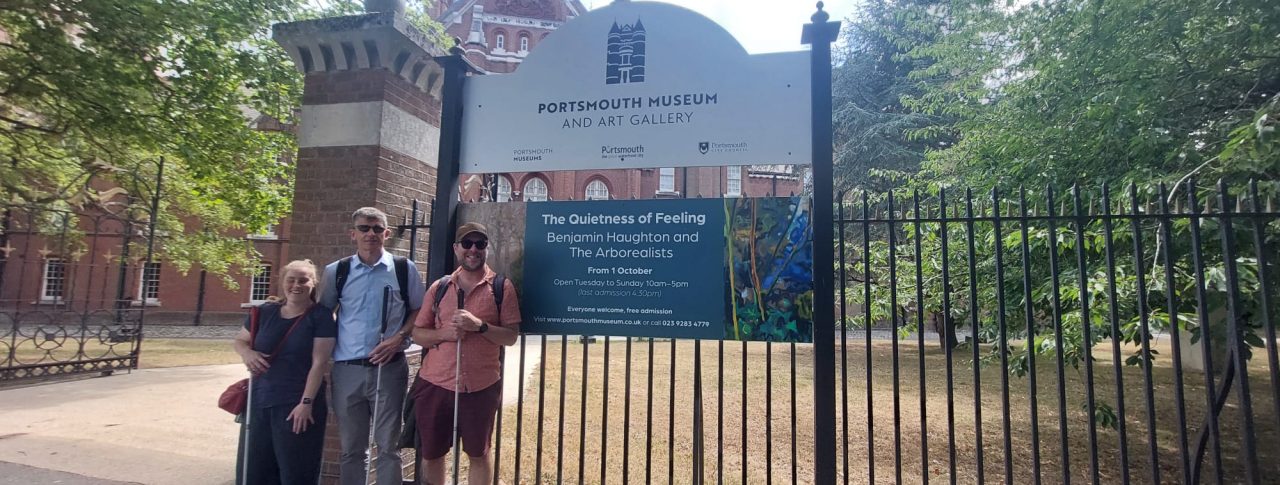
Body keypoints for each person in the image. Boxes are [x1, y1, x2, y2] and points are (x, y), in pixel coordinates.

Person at [319, 207, 426, 485]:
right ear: (352, 234)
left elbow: (419, 310)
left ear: (387, 233)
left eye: (377, 228)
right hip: (347, 370)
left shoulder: (403, 269)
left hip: (389, 369)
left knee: (389, 448)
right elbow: (320, 315)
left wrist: (400, 337)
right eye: (365, 228)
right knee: (351, 450)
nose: (371, 234)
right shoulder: (337, 272)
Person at [410, 222, 521, 485]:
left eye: (480, 244)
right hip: (436, 383)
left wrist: (479, 326)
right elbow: (417, 334)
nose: (473, 249)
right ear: (456, 248)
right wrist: (443, 335)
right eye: (467, 244)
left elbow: (511, 336)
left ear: (486, 249)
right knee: (432, 453)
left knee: (479, 453)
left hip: (480, 387)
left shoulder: (502, 288)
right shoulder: (439, 288)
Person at [233, 259, 336, 485]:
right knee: (255, 470)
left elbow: (319, 363)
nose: (296, 285)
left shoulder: (321, 317)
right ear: (282, 282)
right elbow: (241, 341)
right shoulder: (263, 312)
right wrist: (247, 354)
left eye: (303, 280)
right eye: (291, 280)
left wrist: (306, 403)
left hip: (296, 405)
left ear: (313, 283)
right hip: (259, 402)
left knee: (295, 471)